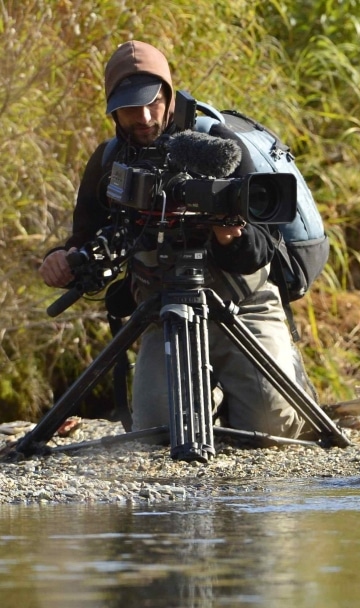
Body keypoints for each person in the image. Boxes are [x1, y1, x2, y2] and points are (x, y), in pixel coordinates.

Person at [38, 40, 308, 439]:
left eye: (153, 102)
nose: (144, 117)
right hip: (164, 310)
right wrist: (61, 257)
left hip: (243, 304)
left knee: (272, 428)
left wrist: (229, 233)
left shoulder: (220, 146)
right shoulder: (110, 159)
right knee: (159, 431)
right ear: (112, 108)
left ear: (168, 95)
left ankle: (258, 388)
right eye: (130, 107)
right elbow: (85, 235)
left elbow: (262, 249)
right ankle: (204, 402)